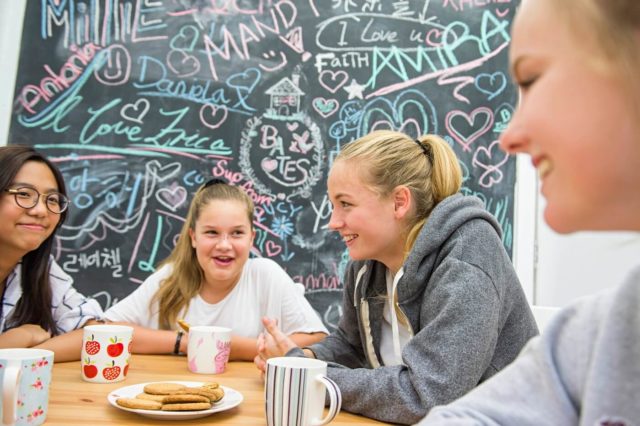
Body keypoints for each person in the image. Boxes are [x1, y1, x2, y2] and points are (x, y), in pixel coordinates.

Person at [419, 0, 640, 424]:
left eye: (532, 79)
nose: (510, 137)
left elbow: (429, 391)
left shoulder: (468, 252)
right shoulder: (602, 330)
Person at [254, 130, 538, 424]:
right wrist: (300, 358)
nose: (333, 222)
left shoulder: (468, 258)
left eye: (346, 204)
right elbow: (351, 347)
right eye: (332, 205)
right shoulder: (367, 265)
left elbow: (427, 395)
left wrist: (310, 380)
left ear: (400, 202)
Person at [104, 178, 327, 360]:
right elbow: (107, 330)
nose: (224, 245)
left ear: (252, 238)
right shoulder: (171, 277)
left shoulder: (265, 275)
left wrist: (227, 346)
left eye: (237, 233)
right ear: (193, 237)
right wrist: (184, 343)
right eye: (211, 233)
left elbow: (318, 340)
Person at [0, 145, 104, 359]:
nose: (40, 210)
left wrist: (25, 356)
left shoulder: (37, 267)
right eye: (23, 194)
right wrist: (20, 337)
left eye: (52, 199)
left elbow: (97, 334)